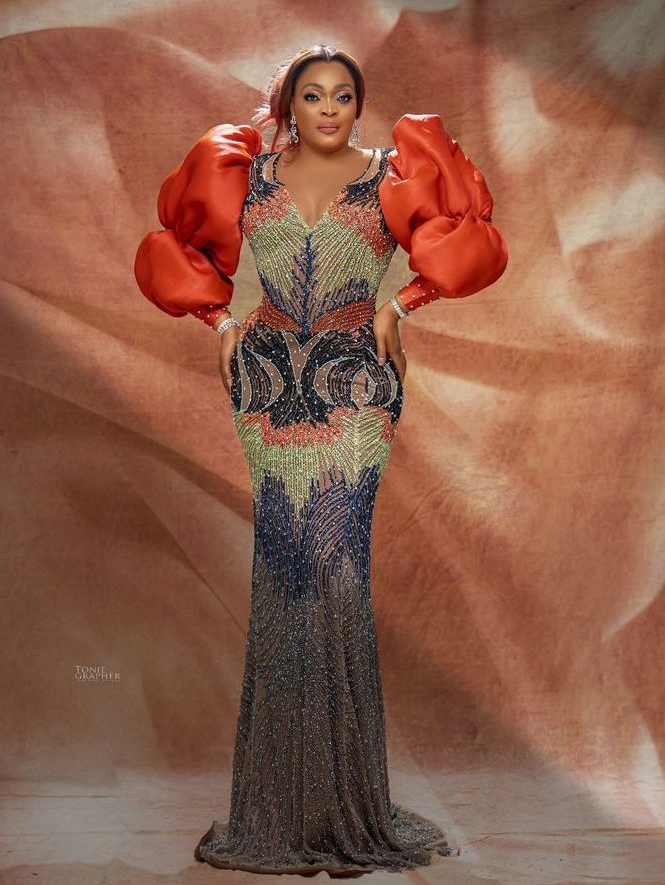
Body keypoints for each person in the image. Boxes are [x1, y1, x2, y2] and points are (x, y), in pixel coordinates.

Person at [134, 43, 508, 877]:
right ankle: (280, 809)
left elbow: (474, 243)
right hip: (267, 386)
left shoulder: (389, 176)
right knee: (284, 577)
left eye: (343, 95)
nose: (330, 109)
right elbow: (172, 250)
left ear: (357, 105)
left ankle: (347, 806)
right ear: (289, 106)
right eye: (313, 95)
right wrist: (220, 322)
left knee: (336, 574)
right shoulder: (247, 175)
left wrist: (401, 303)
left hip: (355, 386)